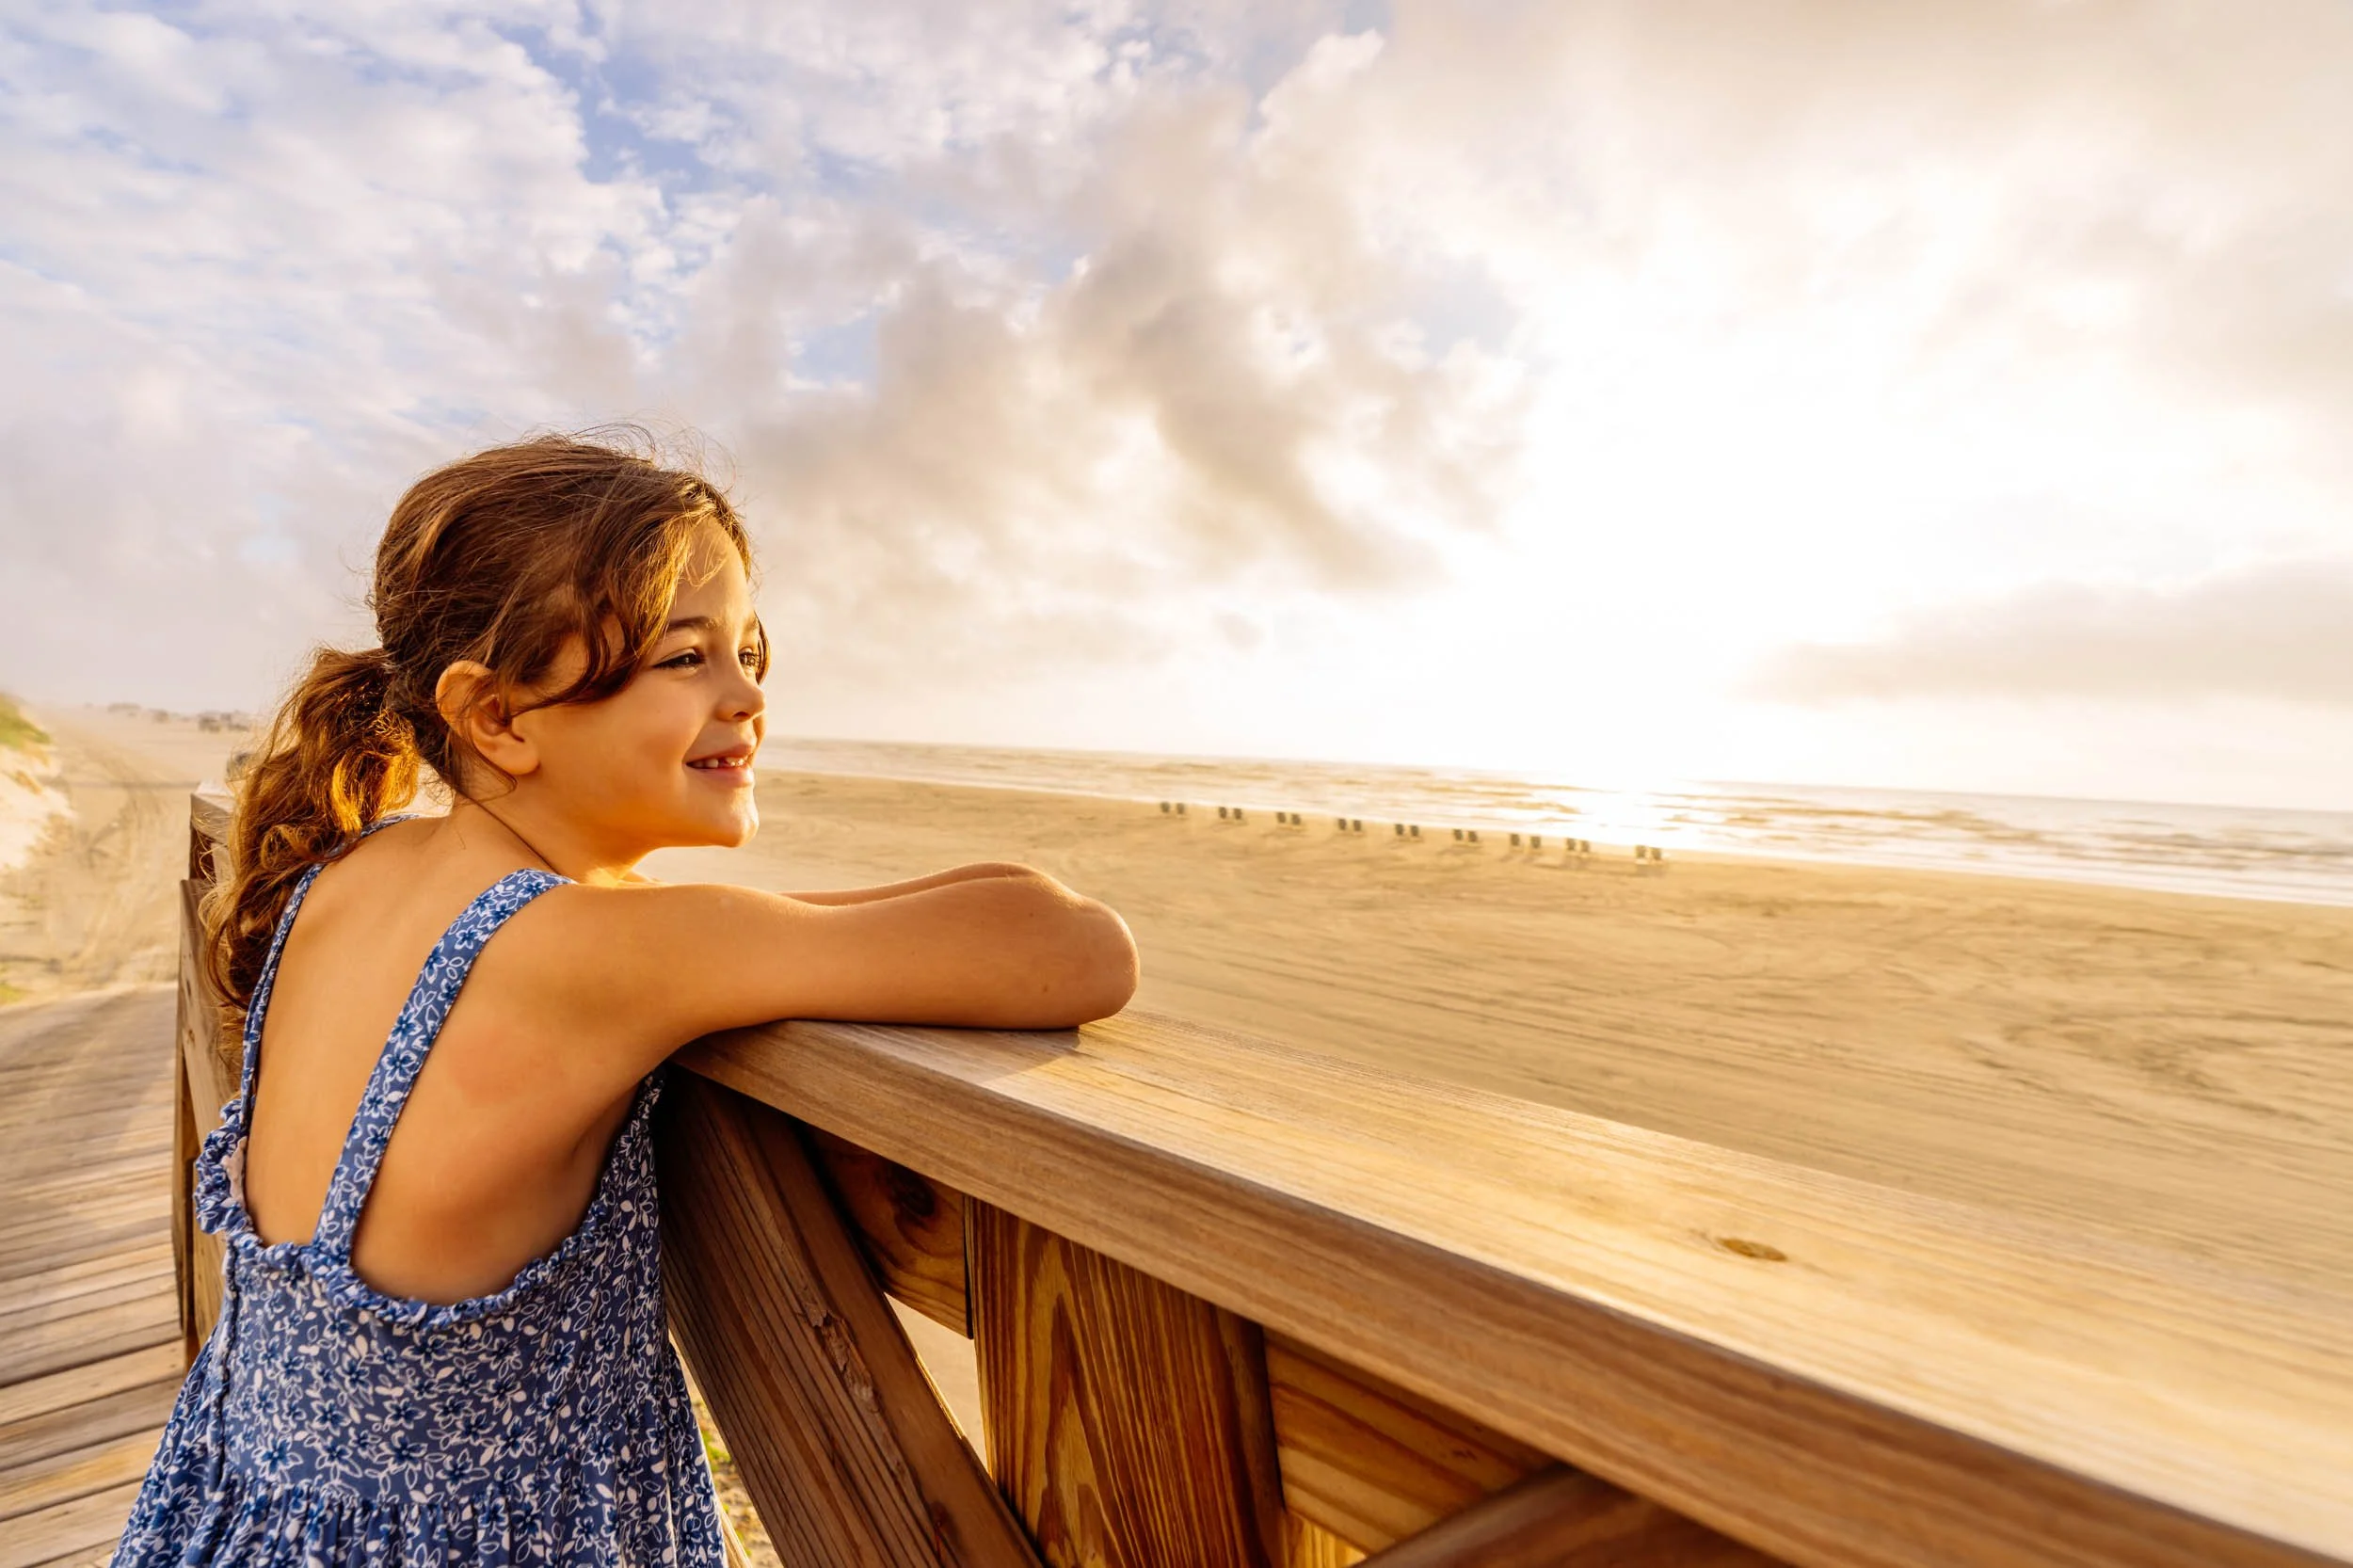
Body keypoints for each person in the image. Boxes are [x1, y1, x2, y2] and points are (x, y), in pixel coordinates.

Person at [113, 432, 1138, 1565]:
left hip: (247, 1508)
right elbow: (1080, 948)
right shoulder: (596, 952)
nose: (748, 695)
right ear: (499, 717)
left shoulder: (352, 872)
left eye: (748, 649)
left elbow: (809, 930)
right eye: (685, 657)